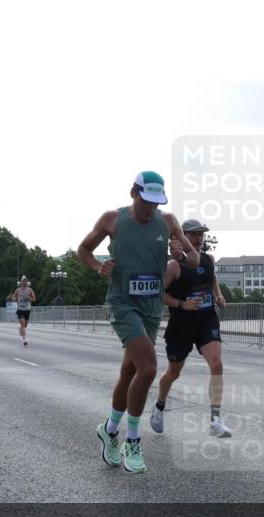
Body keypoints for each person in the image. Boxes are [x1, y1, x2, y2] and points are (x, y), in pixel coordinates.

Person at [77, 170, 199, 473]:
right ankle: (133, 439)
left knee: (129, 371)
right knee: (148, 368)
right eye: (146, 202)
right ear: (134, 193)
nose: (150, 209)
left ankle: (109, 428)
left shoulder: (168, 222)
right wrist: (97, 266)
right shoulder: (112, 219)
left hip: (151, 308)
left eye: (156, 203)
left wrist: (181, 255)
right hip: (122, 304)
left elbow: (195, 260)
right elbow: (84, 250)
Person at [150, 220, 231, 438]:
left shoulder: (208, 259)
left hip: (206, 320)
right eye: (193, 235)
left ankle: (215, 419)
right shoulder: (174, 266)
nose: (198, 239)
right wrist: (181, 304)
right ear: (182, 237)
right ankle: (159, 405)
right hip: (182, 324)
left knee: (217, 363)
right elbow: (158, 293)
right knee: (173, 373)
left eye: (201, 235)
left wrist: (218, 296)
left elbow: (212, 279)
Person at [12, 276, 37, 346]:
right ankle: (24, 339)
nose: (24, 282)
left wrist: (29, 298)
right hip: (20, 309)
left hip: (27, 309)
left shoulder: (30, 290)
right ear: (21, 282)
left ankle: (20, 328)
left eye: (25, 281)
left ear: (27, 282)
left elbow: (34, 299)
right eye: (23, 281)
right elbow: (13, 297)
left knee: (25, 326)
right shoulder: (18, 290)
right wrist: (14, 298)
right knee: (23, 325)